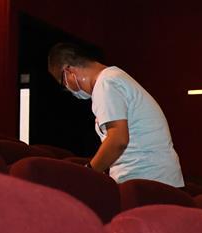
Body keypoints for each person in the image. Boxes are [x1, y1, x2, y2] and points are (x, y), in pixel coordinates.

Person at [47, 43, 184, 188]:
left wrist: (88, 172)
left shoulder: (105, 84)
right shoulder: (113, 77)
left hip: (145, 180)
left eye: (63, 83)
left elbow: (118, 140)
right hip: (155, 179)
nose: (68, 89)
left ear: (68, 72)